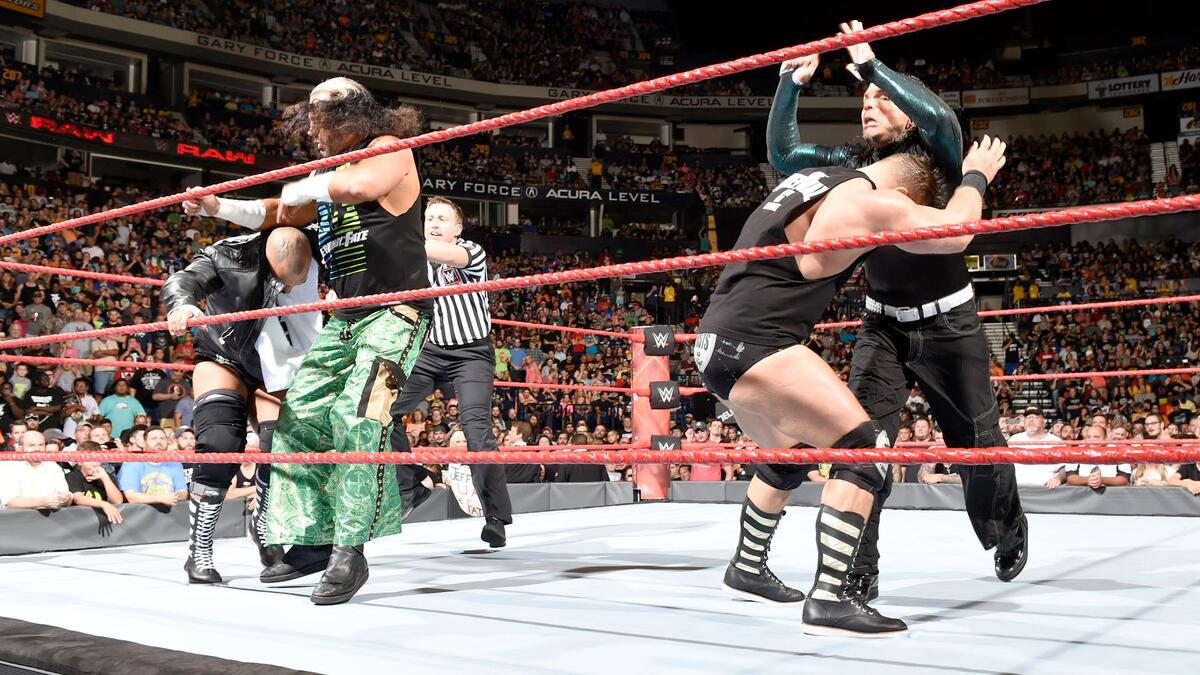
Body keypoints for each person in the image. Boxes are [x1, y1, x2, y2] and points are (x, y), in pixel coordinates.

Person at [695, 135, 1007, 637]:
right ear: (904, 193)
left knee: (791, 451)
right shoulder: (869, 199)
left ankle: (746, 567)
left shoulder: (808, 182)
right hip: (757, 344)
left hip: (714, 344)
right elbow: (956, 232)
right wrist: (977, 174)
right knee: (866, 450)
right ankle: (831, 599)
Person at [768, 23, 1026, 599]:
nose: (868, 104)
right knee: (862, 444)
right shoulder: (857, 166)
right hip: (882, 324)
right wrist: (790, 85)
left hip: (949, 322)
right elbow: (785, 155)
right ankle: (856, 569)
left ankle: (1005, 530)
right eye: (864, 99)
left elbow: (939, 116)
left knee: (977, 443)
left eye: (882, 99)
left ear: (907, 115)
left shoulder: (938, 157)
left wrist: (871, 66)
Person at [188, 77, 431, 605]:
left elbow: (357, 188)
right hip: (345, 319)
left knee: (358, 417)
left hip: (397, 312)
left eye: (318, 122)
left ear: (347, 116)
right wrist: (218, 207)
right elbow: (278, 212)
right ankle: (315, 541)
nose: (313, 135)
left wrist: (305, 187)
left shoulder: (389, 150)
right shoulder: (324, 176)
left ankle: (350, 550)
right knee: (296, 418)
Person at [161, 223, 323, 585]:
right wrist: (182, 305)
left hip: (278, 361)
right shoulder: (228, 254)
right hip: (224, 354)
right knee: (219, 444)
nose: (288, 290)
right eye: (282, 282)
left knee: (279, 444)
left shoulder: (318, 243)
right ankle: (199, 550)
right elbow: (184, 279)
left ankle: (264, 522)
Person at [390, 196, 512, 547]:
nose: (433, 223)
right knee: (383, 411)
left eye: (442, 218)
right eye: (429, 218)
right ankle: (412, 484)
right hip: (429, 352)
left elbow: (442, 254)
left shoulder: (471, 252)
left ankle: (495, 517)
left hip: (471, 353)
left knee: (476, 430)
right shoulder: (415, 260)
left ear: (458, 228)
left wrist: (393, 235)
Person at [0, 431, 73, 511]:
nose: (37, 449)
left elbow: (67, 498)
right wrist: (42, 502)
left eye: (41, 445)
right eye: (32, 445)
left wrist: (66, 499)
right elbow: (10, 502)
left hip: (54, 517)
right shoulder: (8, 467)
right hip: (19, 517)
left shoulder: (53, 467)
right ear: (20, 449)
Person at [117, 427, 188, 506]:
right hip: (141, 512)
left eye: (162, 438)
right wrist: (161, 498)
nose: (158, 441)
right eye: (153, 438)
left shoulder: (174, 463)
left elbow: (183, 493)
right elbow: (131, 497)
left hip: (171, 510)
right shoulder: (131, 464)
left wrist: (174, 497)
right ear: (144, 443)